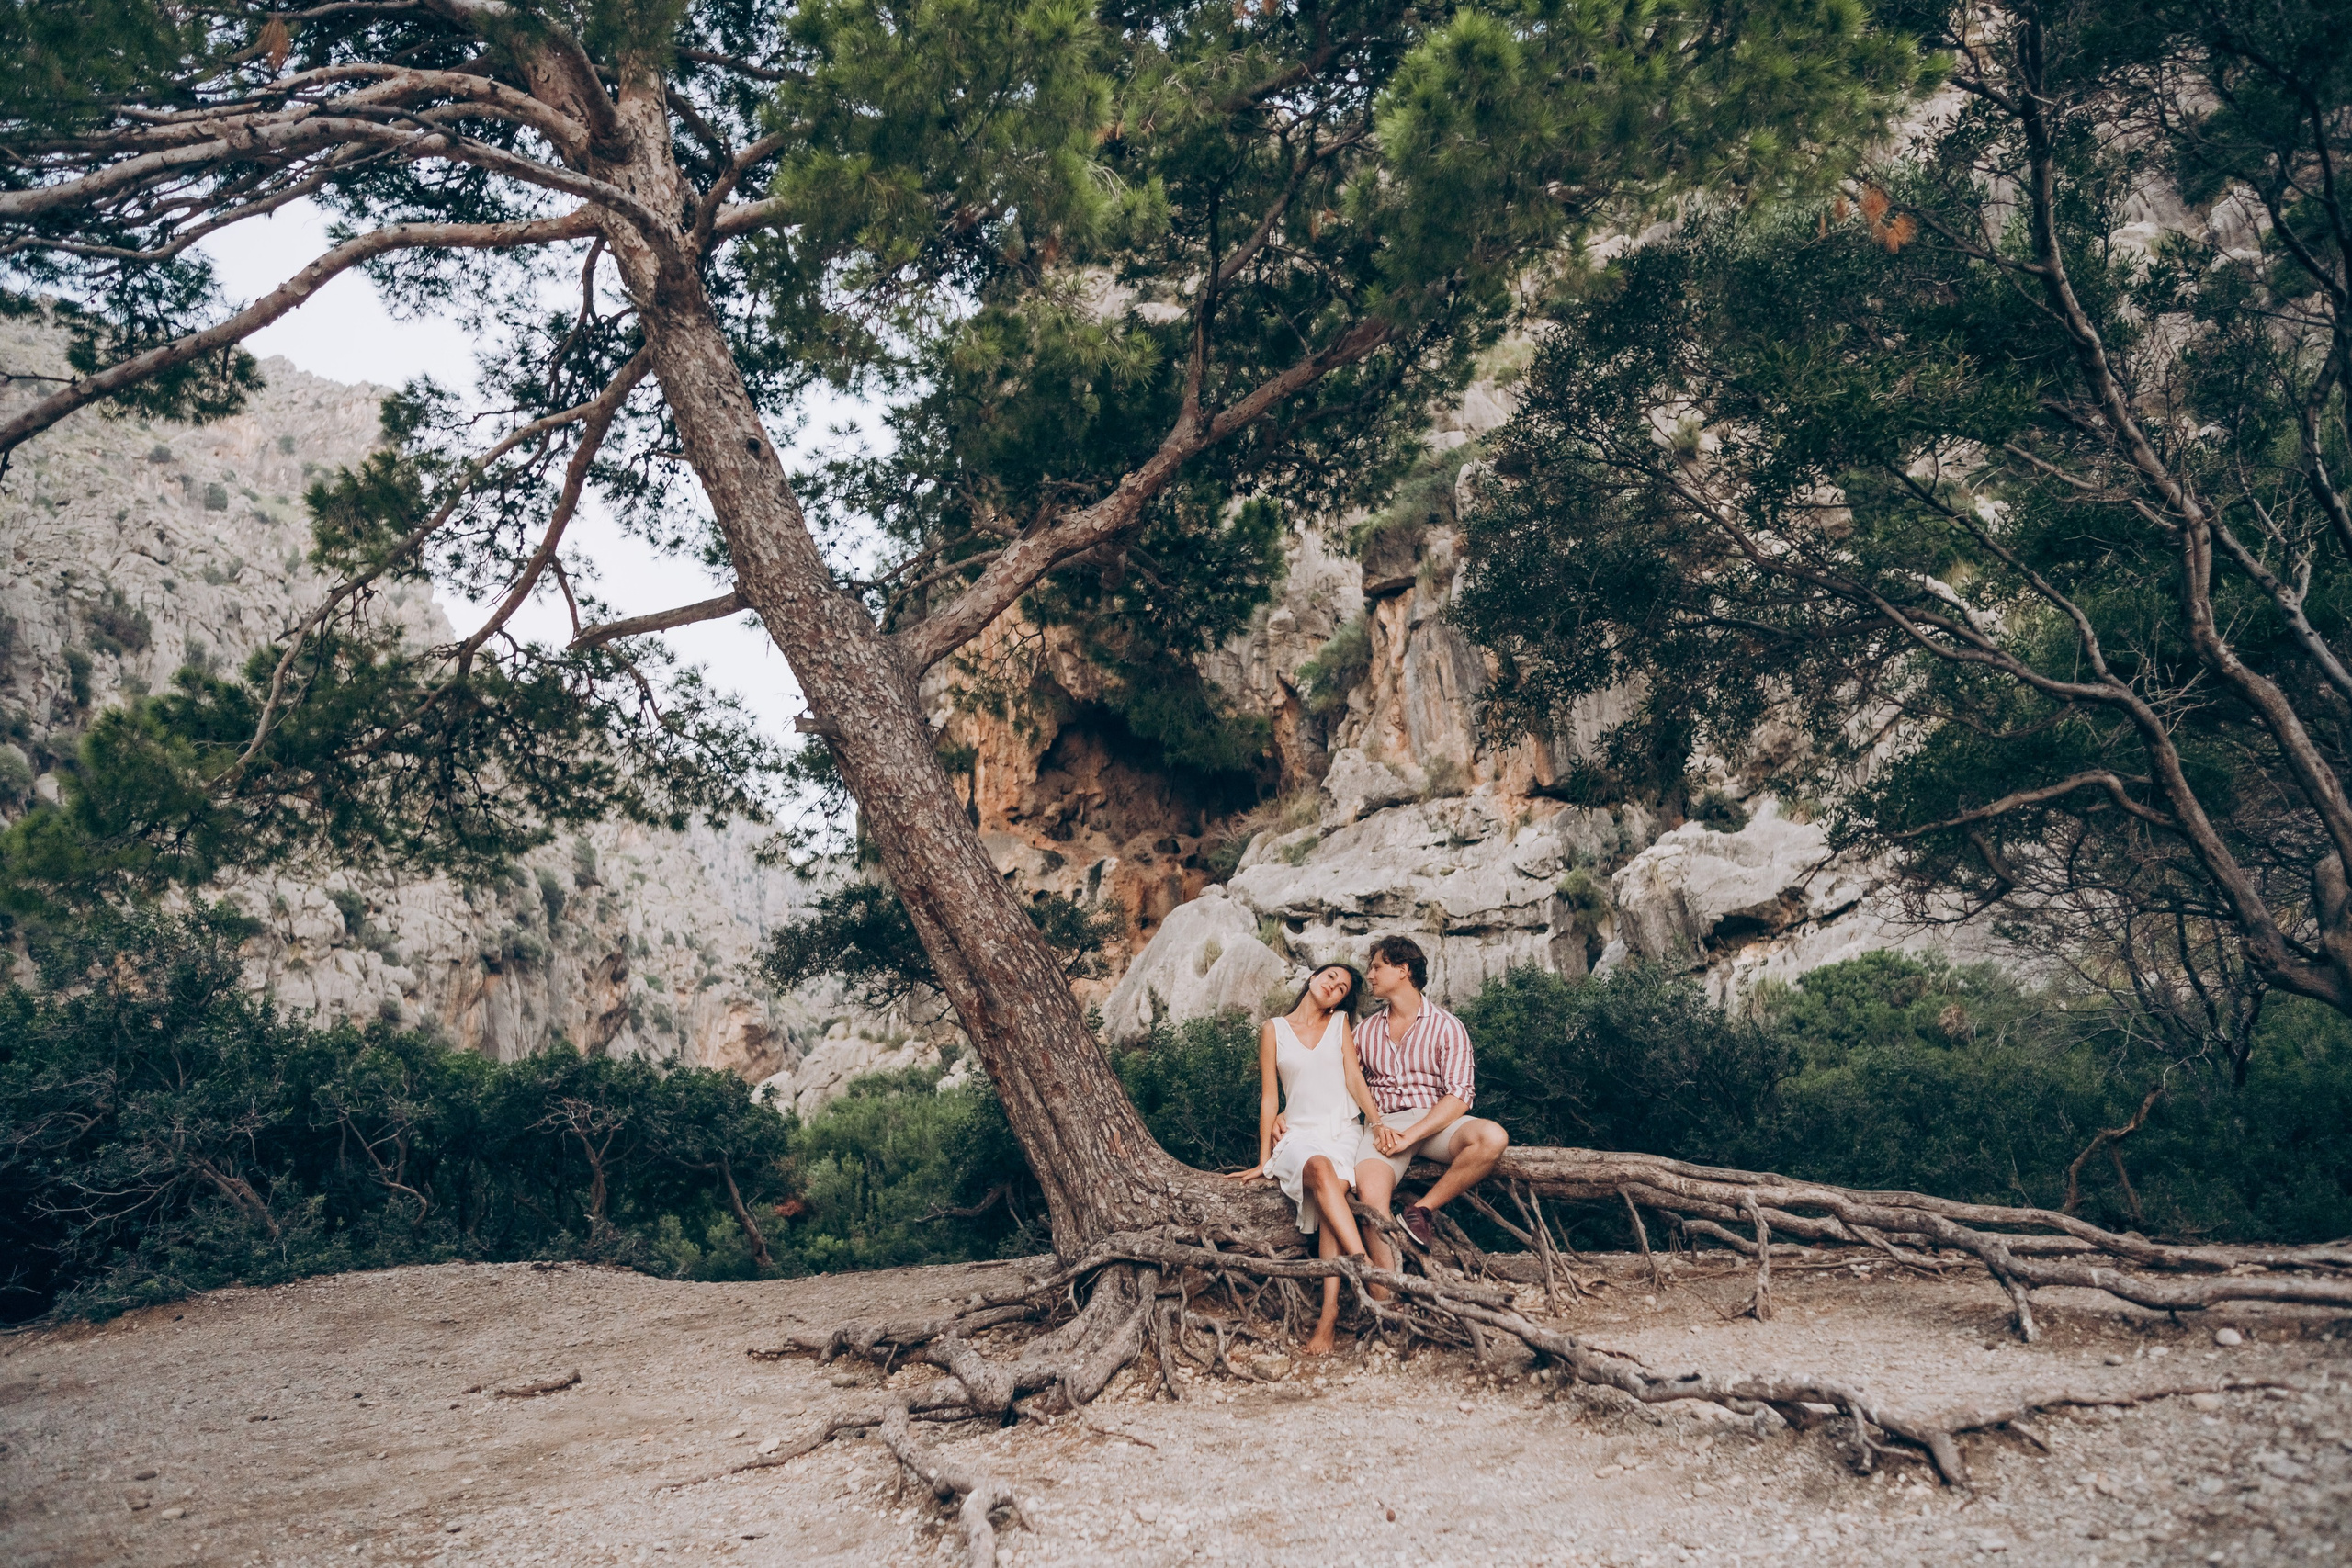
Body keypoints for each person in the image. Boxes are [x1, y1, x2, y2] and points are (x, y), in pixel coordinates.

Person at [1228, 962, 1385, 1355]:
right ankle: (1365, 1266)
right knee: (1318, 1169)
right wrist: (1264, 1159)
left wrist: (1377, 1122)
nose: (1334, 986)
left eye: (1342, 987)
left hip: (1344, 1130)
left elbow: (1354, 1079)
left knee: (1328, 1192)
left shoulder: (1340, 1024)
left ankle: (1328, 1318)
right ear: (1313, 978)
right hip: (1299, 1132)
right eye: (1330, 976)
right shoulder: (1274, 1029)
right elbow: (1270, 1097)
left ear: (1342, 999)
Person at [1351, 934, 1510, 1277]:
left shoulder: (1448, 1027)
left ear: (1403, 969)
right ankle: (1387, 1293)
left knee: (1492, 1137)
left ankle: (1421, 1211)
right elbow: (1343, 1084)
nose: (1371, 975)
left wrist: (1411, 1136)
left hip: (1433, 1122)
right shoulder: (1364, 1031)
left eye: (1377, 967)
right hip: (1385, 1125)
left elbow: (1460, 1096)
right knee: (1370, 1199)